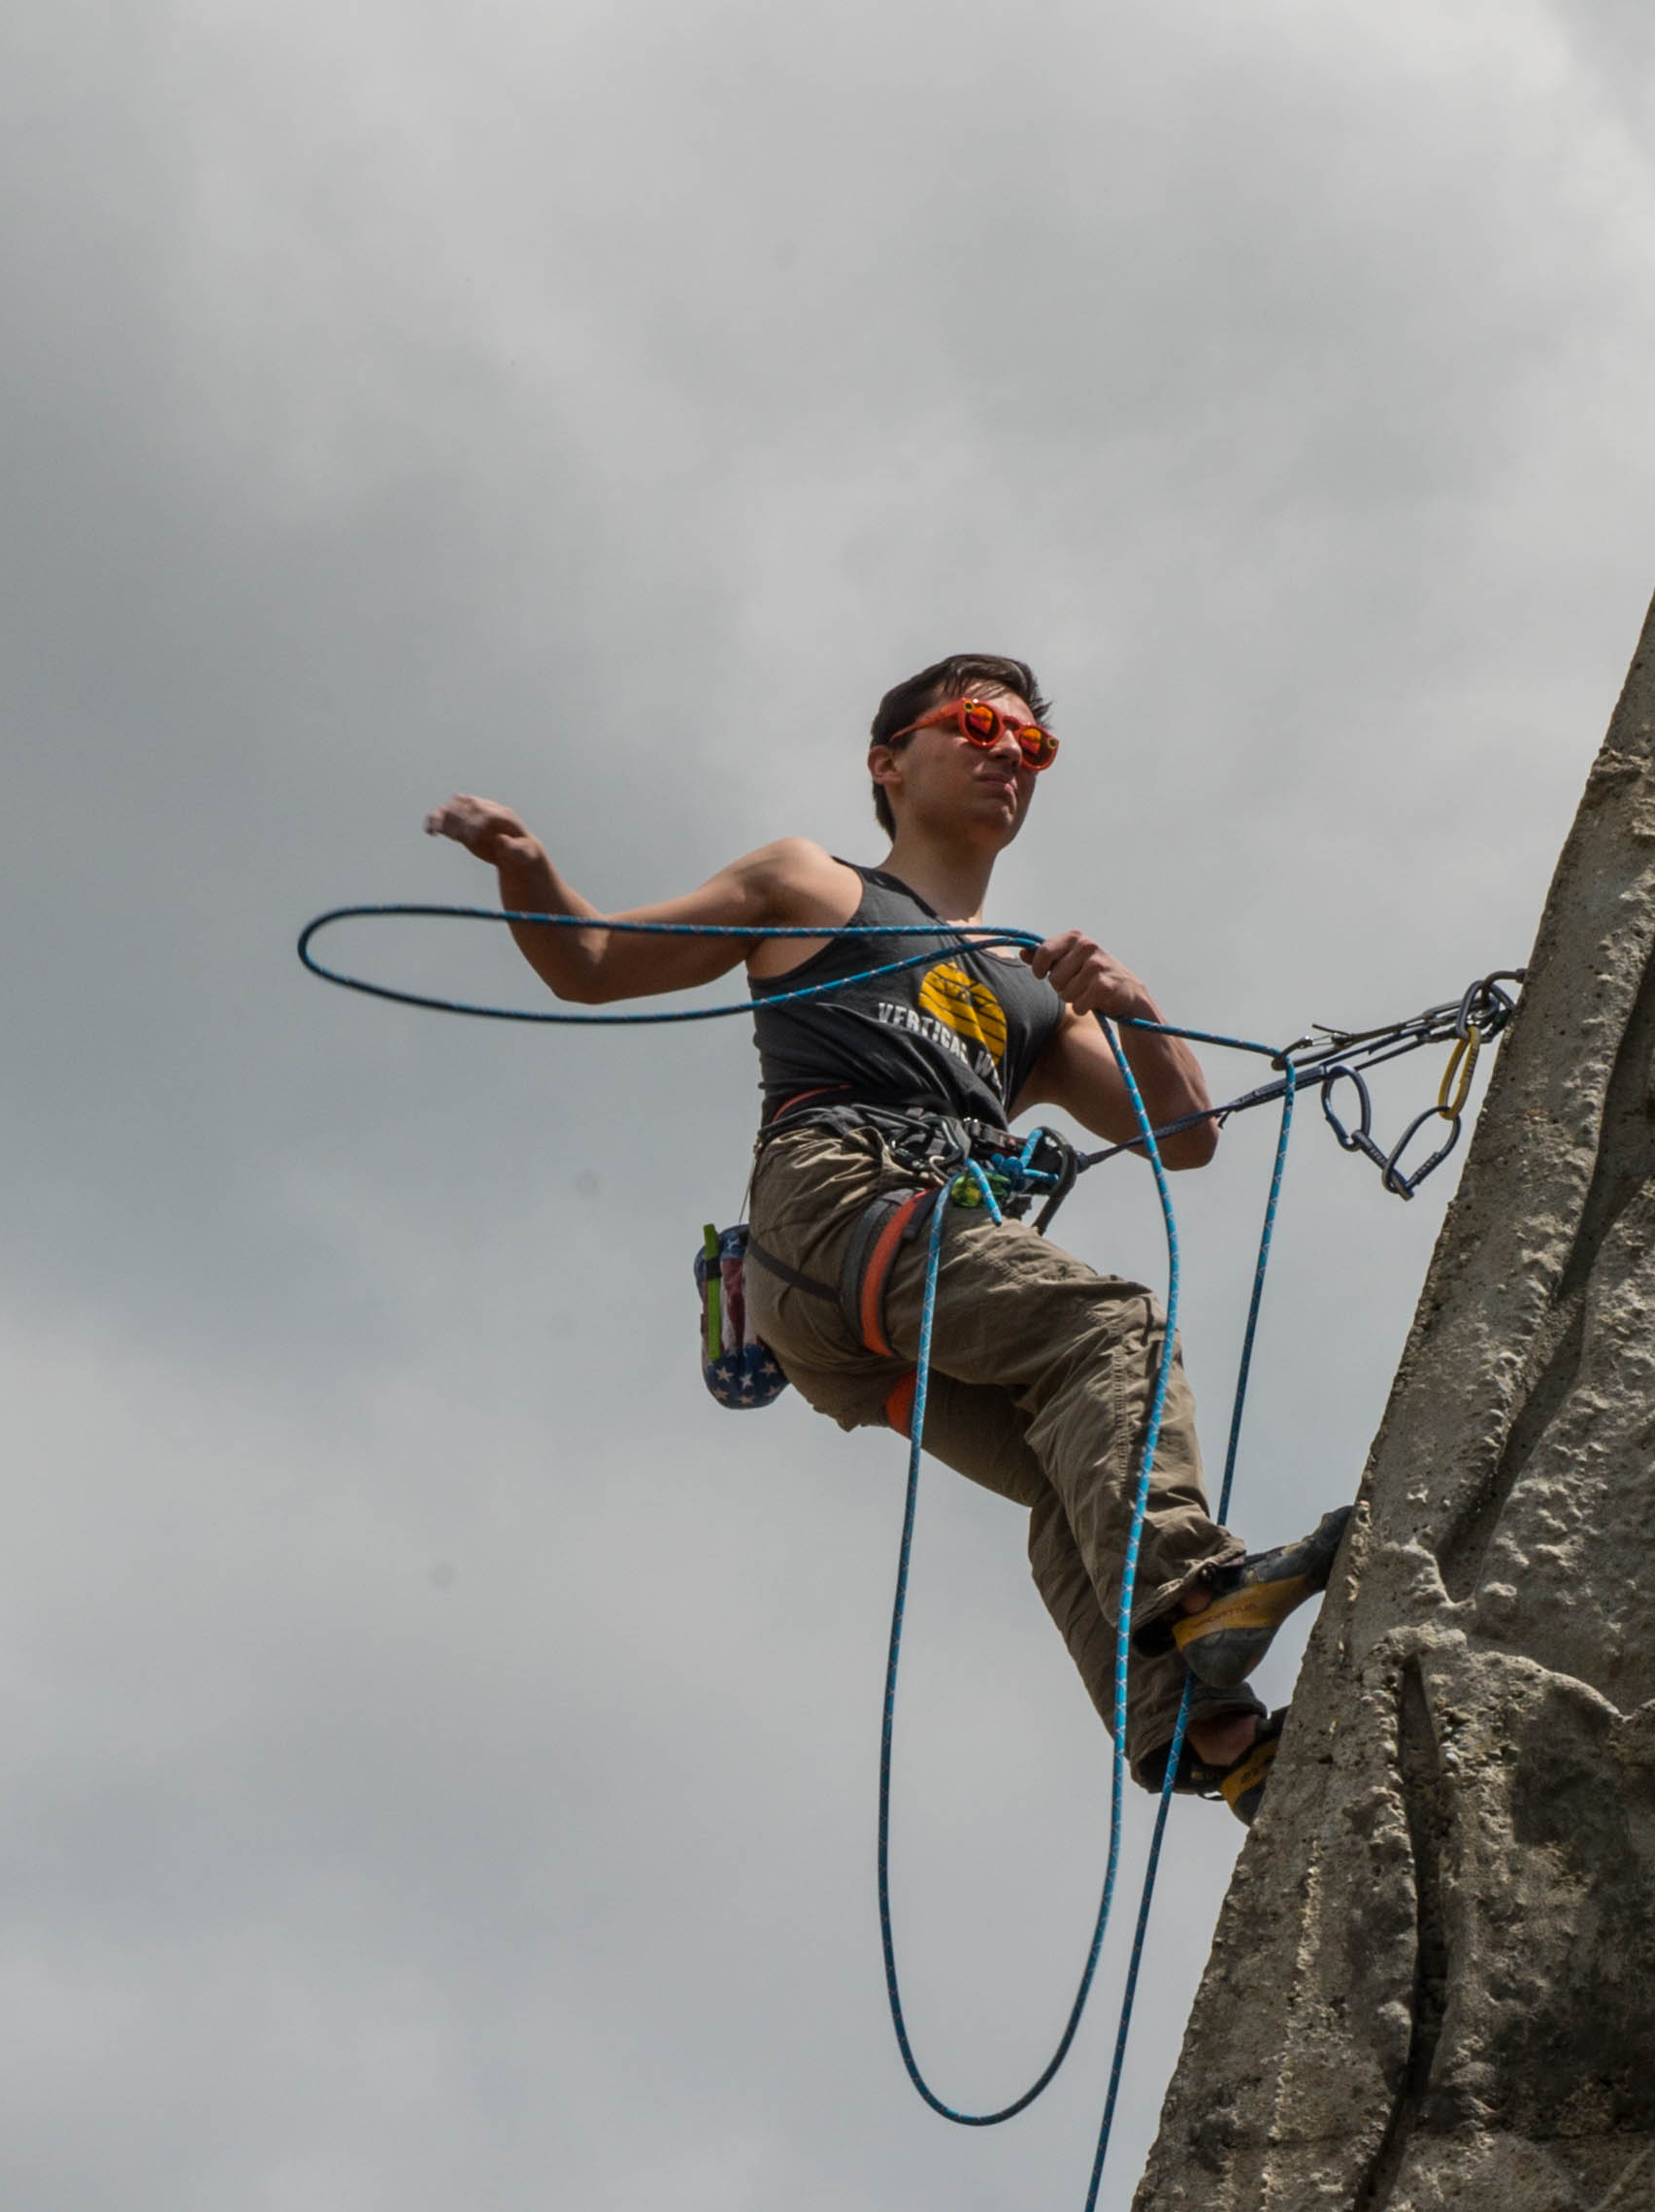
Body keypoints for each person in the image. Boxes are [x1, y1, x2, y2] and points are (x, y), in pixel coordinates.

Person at [422, 652, 1345, 1820]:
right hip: (837, 1201)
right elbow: (591, 962)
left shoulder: (1032, 998)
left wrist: (1137, 1009)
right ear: (888, 760)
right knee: (1112, 1330)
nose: (1008, 751)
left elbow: (1187, 1136)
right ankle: (1189, 1586)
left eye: (1032, 744)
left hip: (880, 1308)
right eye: (974, 725)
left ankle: (1205, 1731)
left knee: (1074, 1468)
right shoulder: (811, 885)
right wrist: (524, 864)